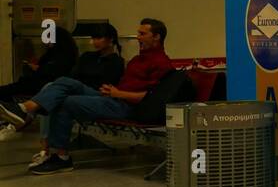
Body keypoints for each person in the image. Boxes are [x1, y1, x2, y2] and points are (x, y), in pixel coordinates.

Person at [0, 19, 171, 175]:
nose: (138, 37)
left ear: (156, 37)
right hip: (113, 97)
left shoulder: (162, 63)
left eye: (142, 34)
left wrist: (118, 93)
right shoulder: (136, 60)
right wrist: (113, 90)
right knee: (64, 81)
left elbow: (152, 97)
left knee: (66, 102)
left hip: (127, 106)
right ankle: (24, 110)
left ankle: (60, 156)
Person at [23, 24, 126, 167]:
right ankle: (45, 148)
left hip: (97, 95)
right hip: (79, 90)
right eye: (92, 38)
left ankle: (26, 112)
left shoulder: (117, 62)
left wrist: (79, 84)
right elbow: (74, 75)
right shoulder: (87, 56)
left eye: (98, 38)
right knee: (52, 89)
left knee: (61, 85)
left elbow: (105, 86)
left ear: (111, 40)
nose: (94, 42)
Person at [0, 25, 77, 101]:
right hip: (40, 82)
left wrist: (38, 68)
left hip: (46, 84)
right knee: (12, 89)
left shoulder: (64, 55)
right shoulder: (54, 52)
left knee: (11, 89)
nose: (47, 42)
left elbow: (55, 71)